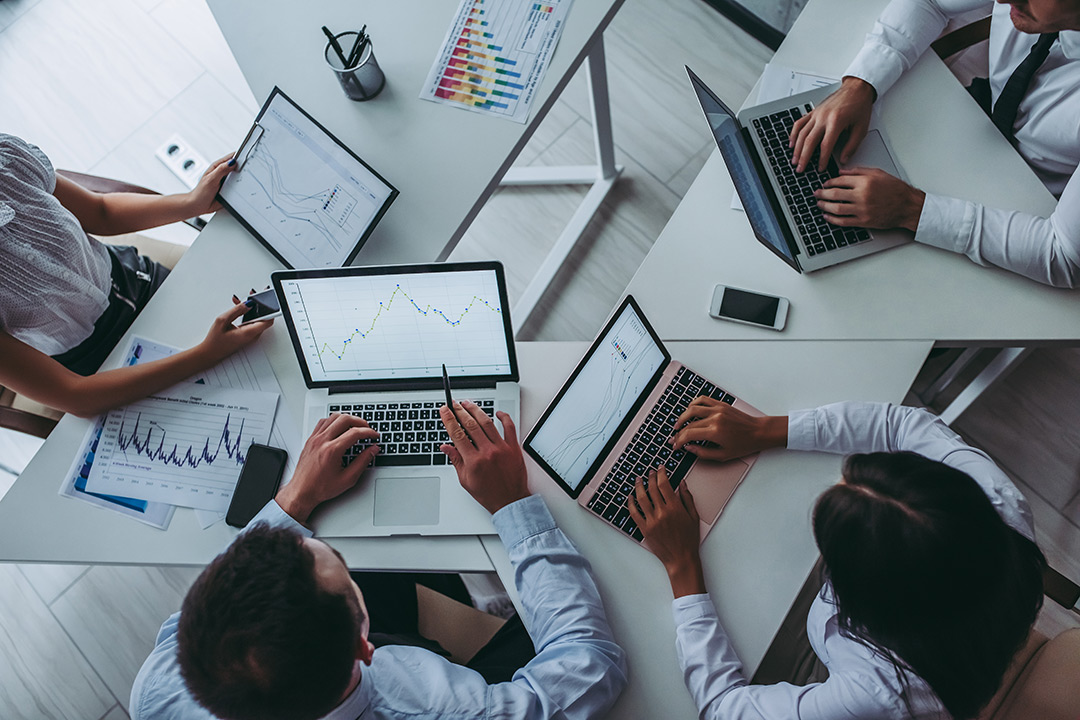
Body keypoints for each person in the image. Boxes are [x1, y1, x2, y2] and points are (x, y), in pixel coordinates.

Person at [130, 401, 628, 720]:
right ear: (365, 648)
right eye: (343, 573)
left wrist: (296, 498)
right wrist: (514, 506)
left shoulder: (160, 688)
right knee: (534, 629)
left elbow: (241, 573)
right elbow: (591, 668)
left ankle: (444, 623)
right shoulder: (428, 705)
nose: (304, 539)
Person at [630, 399, 1045, 719]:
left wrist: (682, 566)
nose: (836, 483)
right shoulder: (996, 502)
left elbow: (724, 709)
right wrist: (765, 429)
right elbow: (901, 424)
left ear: (864, 600)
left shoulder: (875, 693)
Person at [788, 0, 1080, 287]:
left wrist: (909, 209)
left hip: (1026, 208)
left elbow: (1065, 255)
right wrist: (860, 85)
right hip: (968, 125)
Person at [0, 133, 269, 418]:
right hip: (92, 364)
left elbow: (100, 212)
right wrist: (205, 354)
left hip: (137, 280)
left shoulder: (6, 161)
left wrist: (192, 202)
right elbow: (75, 395)